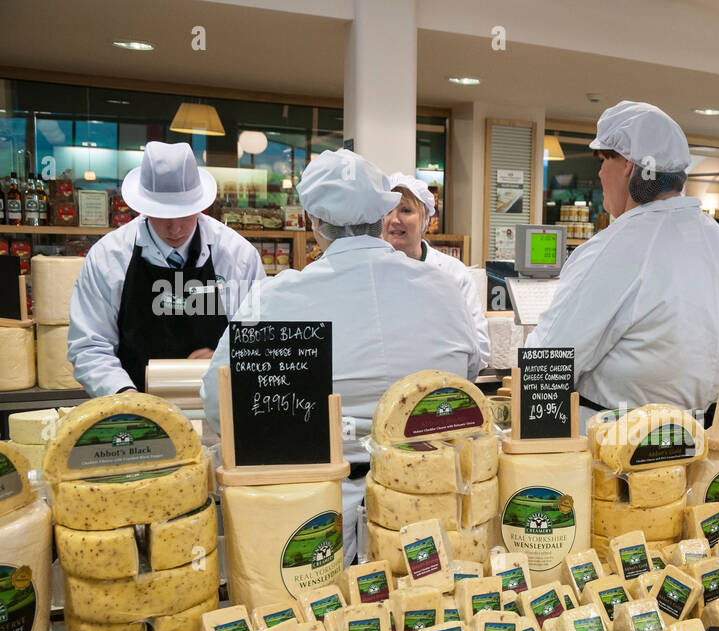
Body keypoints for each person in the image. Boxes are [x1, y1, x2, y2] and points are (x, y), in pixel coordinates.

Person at [202, 149, 480, 564]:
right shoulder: (444, 289)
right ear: (382, 216)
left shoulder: (278, 297)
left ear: (312, 221)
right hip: (431, 511)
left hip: (316, 524)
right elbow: (465, 381)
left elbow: (217, 406)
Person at [526, 101, 719, 427]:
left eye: (603, 159)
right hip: (697, 441)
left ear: (626, 164)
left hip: (614, 449)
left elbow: (547, 361)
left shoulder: (611, 249)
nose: (598, 172)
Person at [68, 141, 266, 396]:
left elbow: (260, 338)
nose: (175, 228)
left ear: (201, 205)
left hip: (219, 408)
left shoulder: (238, 256)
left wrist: (225, 358)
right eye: (161, 215)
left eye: (185, 214)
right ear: (142, 208)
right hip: (134, 410)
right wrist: (125, 396)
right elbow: (89, 346)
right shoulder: (108, 257)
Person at [384, 173, 490, 370]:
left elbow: (480, 348)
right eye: (387, 210)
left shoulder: (453, 272)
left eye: (406, 210)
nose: (394, 220)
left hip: (441, 384)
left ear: (425, 220)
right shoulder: (372, 270)